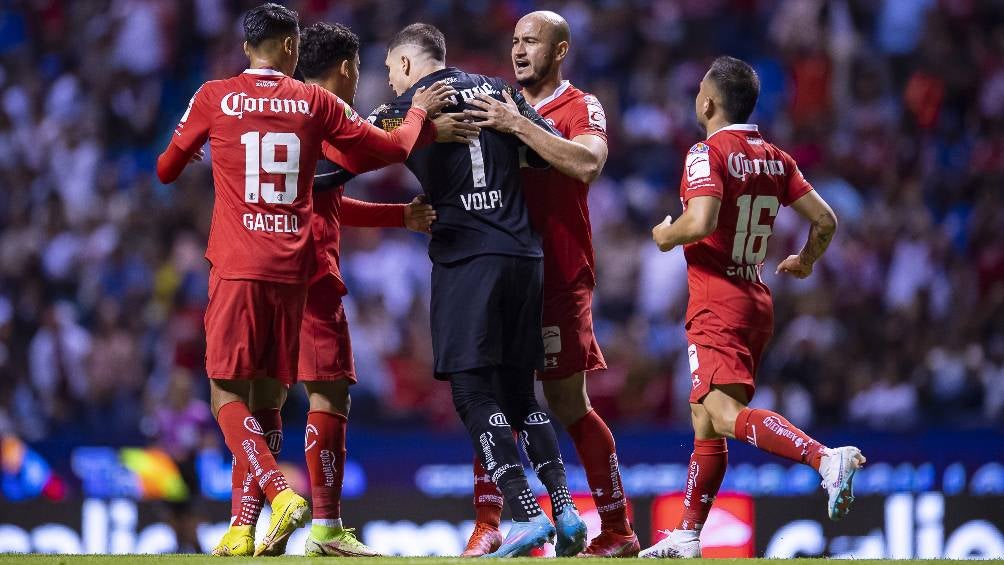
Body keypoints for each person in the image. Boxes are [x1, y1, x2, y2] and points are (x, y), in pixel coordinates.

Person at [155, 3, 454, 557]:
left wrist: (202, 151)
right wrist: (417, 117)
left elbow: (166, 169)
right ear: (292, 47)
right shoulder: (316, 106)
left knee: (231, 393)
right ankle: (282, 522)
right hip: (299, 268)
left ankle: (273, 505)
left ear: (247, 48)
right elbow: (380, 156)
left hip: (241, 262)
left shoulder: (216, 97)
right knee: (281, 395)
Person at [356, 22, 588, 557]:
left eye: (392, 69)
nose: (390, 81)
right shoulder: (501, 91)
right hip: (524, 257)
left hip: (468, 258)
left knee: (471, 392)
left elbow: (339, 162)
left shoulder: (405, 107)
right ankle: (567, 509)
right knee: (518, 393)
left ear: (410, 64)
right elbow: (552, 153)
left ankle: (526, 515)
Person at [638, 56, 865, 558]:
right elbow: (825, 220)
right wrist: (805, 261)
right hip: (754, 297)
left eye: (700, 89)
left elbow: (699, 222)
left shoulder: (706, 152)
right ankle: (689, 534)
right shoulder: (777, 158)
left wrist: (664, 235)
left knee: (719, 413)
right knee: (704, 417)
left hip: (716, 301)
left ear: (710, 101)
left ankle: (824, 459)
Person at [460, 10, 638, 557]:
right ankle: (491, 522)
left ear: (559, 50)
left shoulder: (580, 105)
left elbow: (587, 164)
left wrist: (520, 127)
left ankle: (617, 530)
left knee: (567, 401)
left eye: (531, 41)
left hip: (559, 274)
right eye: (514, 41)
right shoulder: (495, 102)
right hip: (500, 274)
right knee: (486, 393)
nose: (518, 50)